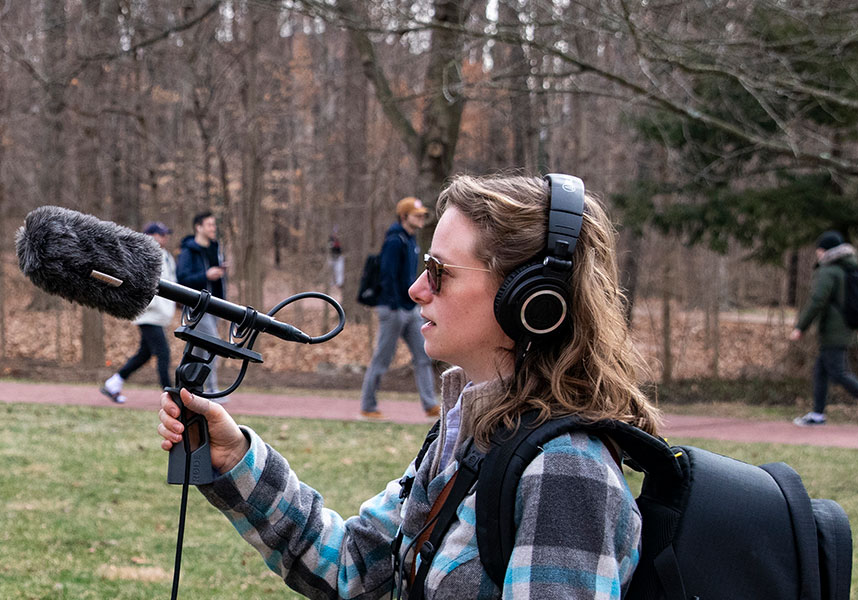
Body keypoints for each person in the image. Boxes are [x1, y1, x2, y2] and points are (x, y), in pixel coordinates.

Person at [159, 174, 659, 599]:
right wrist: (235, 459)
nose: (417, 289)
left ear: (531, 300)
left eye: (439, 272)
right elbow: (354, 566)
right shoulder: (469, 430)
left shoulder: (565, 474)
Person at [789, 230, 858, 429]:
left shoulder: (828, 271)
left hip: (834, 329)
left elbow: (818, 300)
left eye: (819, 250)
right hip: (844, 327)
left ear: (825, 250)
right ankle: (818, 414)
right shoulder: (847, 268)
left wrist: (801, 327)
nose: (817, 254)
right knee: (821, 370)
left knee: (838, 372)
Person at [358, 197, 437, 420]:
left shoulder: (411, 240)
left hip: (409, 309)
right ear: (404, 217)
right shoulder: (395, 240)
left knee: (423, 355)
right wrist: (395, 306)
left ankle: (430, 405)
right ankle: (368, 406)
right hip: (393, 309)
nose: (421, 218)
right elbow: (388, 275)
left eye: (422, 214)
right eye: (417, 215)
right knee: (382, 359)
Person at [101, 222, 177, 404]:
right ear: (150, 236)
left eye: (166, 234)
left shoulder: (167, 257)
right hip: (149, 314)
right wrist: (149, 304)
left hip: (161, 314)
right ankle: (170, 395)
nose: (165, 238)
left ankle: (114, 382)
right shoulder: (142, 256)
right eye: (161, 234)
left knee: (145, 353)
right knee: (163, 353)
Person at [175, 211, 226, 391]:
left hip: (215, 307)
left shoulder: (215, 248)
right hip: (196, 307)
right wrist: (205, 275)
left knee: (198, 351)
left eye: (214, 224)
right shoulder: (189, 250)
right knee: (214, 344)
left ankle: (188, 388)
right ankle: (212, 391)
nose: (214, 228)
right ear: (199, 227)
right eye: (210, 225)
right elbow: (182, 278)